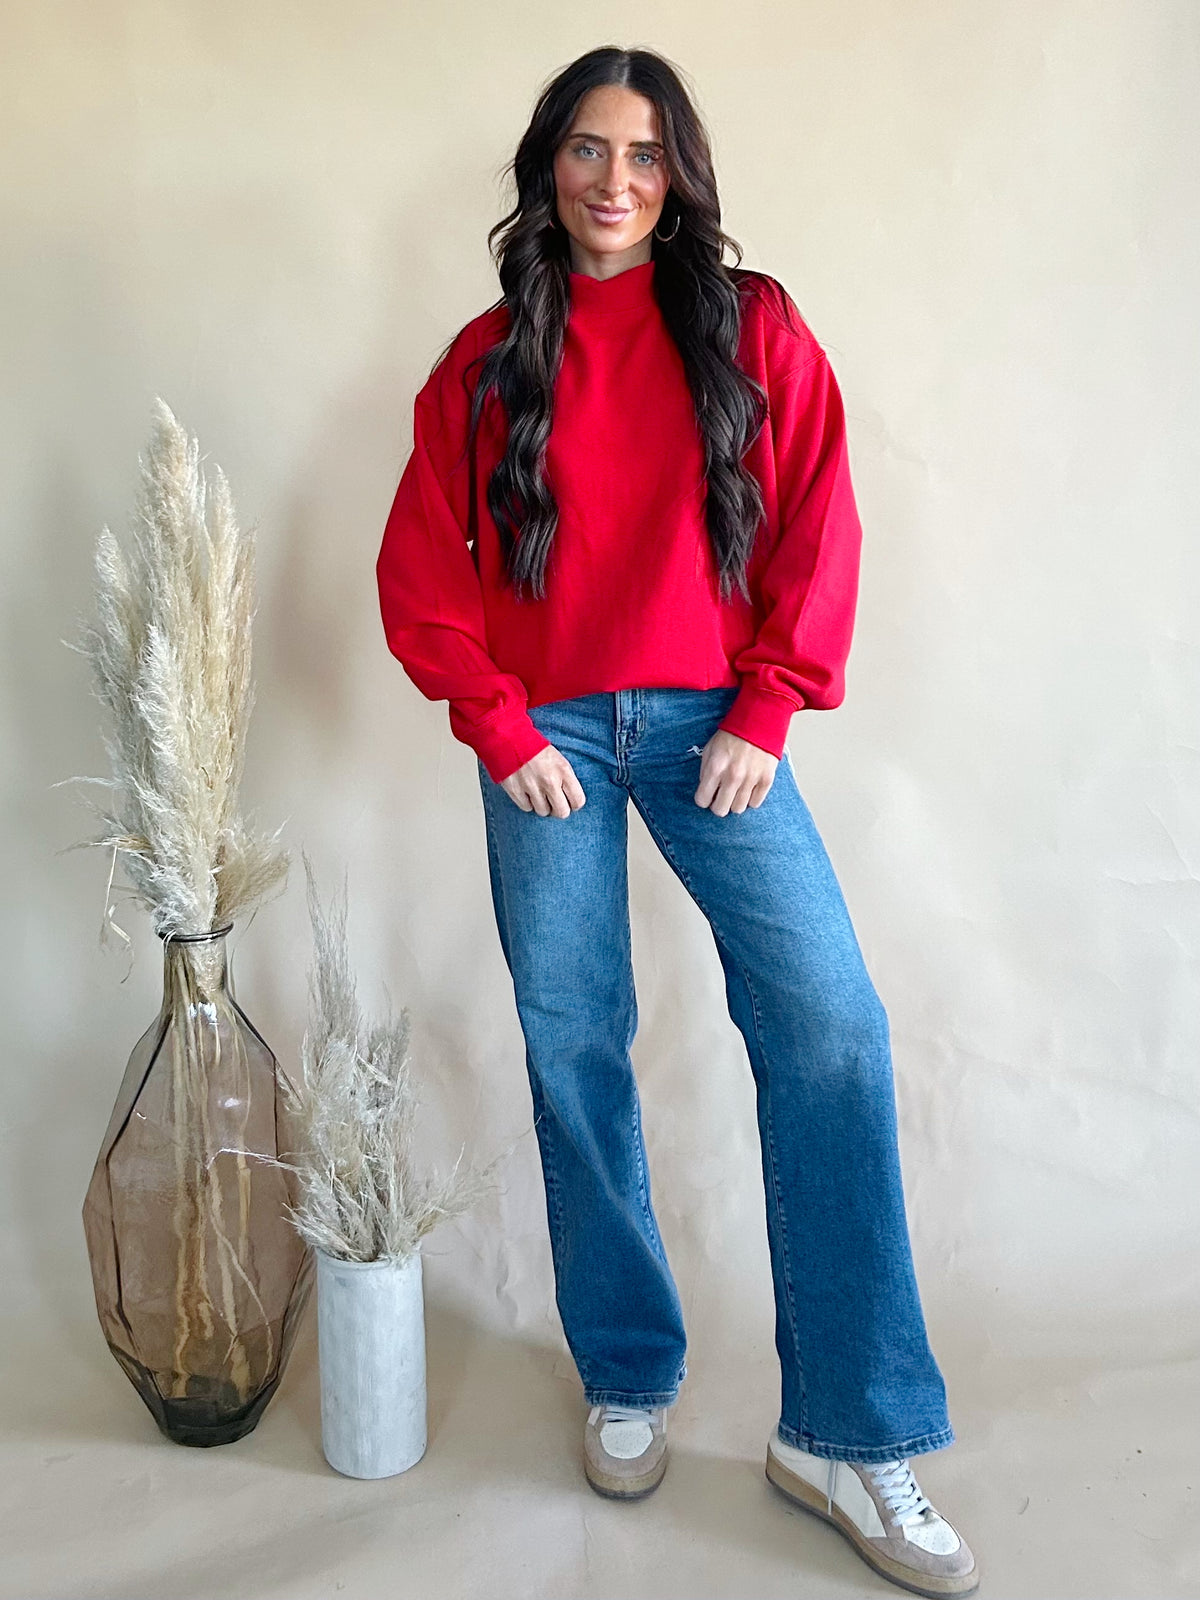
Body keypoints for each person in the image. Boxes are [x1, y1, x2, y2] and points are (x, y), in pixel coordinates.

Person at [375, 44, 978, 1599]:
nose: (615, 181)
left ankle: (845, 1432)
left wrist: (769, 708)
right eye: (589, 149)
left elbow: (820, 516)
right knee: (575, 1039)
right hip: (551, 737)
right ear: (548, 166)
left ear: (679, 176)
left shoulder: (752, 326)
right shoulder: (484, 359)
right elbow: (423, 565)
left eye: (645, 155)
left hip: (716, 721)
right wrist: (499, 722)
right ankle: (627, 1370)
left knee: (830, 1022)